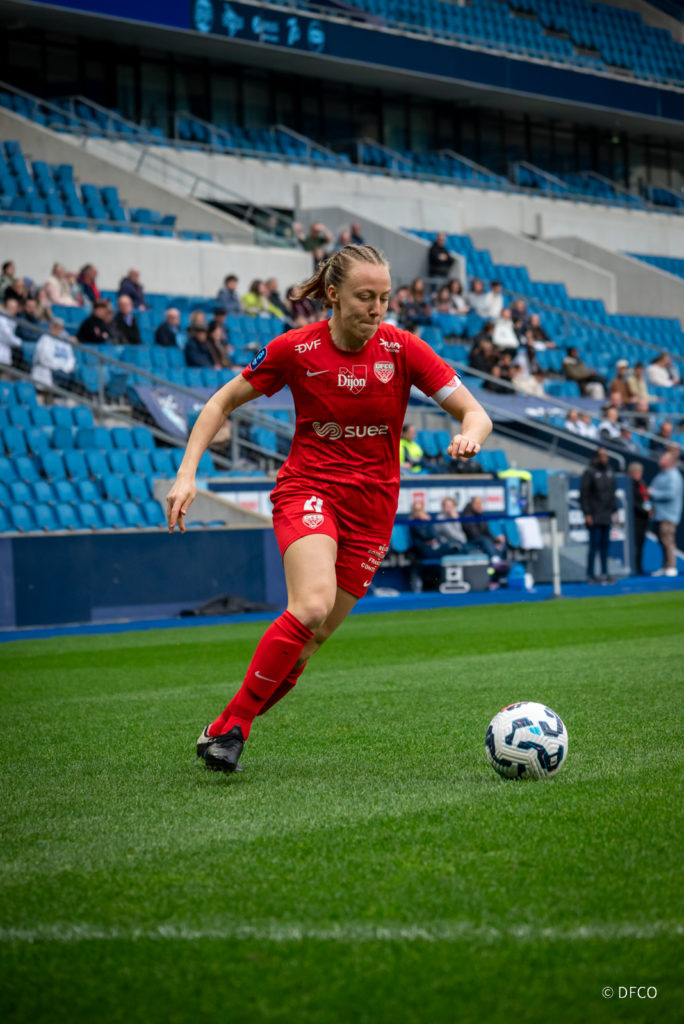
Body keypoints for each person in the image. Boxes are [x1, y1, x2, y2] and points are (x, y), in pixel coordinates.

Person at [166, 244, 492, 773]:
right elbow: (221, 401)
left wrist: (470, 436)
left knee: (309, 643)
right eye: (365, 297)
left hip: (373, 510)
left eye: (384, 297)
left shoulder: (403, 349)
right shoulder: (296, 349)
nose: (377, 308)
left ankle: (223, 726)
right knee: (311, 605)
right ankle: (235, 729)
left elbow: (475, 412)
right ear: (335, 295)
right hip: (309, 491)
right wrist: (187, 473)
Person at [579, 448, 617, 584]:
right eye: (601, 456)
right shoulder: (590, 472)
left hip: (606, 514)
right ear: (596, 457)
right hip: (594, 514)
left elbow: (612, 494)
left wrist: (615, 511)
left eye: (606, 456)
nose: (604, 458)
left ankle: (604, 572)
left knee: (605, 546)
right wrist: (587, 513)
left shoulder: (610, 471)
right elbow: (584, 495)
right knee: (594, 546)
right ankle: (590, 574)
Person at [648, 449, 683, 577]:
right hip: (659, 514)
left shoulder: (673, 476)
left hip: (669, 515)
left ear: (670, 462)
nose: (660, 459)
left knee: (668, 540)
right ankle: (666, 565)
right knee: (662, 541)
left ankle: (671, 566)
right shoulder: (661, 474)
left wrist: (653, 493)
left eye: (663, 458)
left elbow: (671, 494)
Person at [30, 319, 75, 389]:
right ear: (51, 327)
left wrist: (68, 367)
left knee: (75, 377)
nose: (58, 330)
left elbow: (71, 357)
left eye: (60, 328)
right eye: (56, 327)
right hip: (52, 370)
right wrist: (60, 366)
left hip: (64, 370)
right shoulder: (45, 339)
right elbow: (44, 359)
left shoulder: (64, 341)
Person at [628, 462, 651, 575]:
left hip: (643, 519)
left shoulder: (642, 484)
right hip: (635, 519)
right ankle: (635, 568)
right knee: (635, 545)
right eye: (637, 472)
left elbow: (645, 499)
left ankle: (639, 567)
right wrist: (645, 510)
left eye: (640, 472)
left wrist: (649, 509)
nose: (639, 474)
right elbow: (633, 503)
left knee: (641, 544)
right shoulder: (630, 485)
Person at [0, 297, 22, 369]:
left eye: (14, 308)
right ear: (6, 307)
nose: (12, 310)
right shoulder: (2, 319)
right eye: (11, 307)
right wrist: (22, 343)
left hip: (5, 357)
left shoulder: (12, 320)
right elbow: (8, 338)